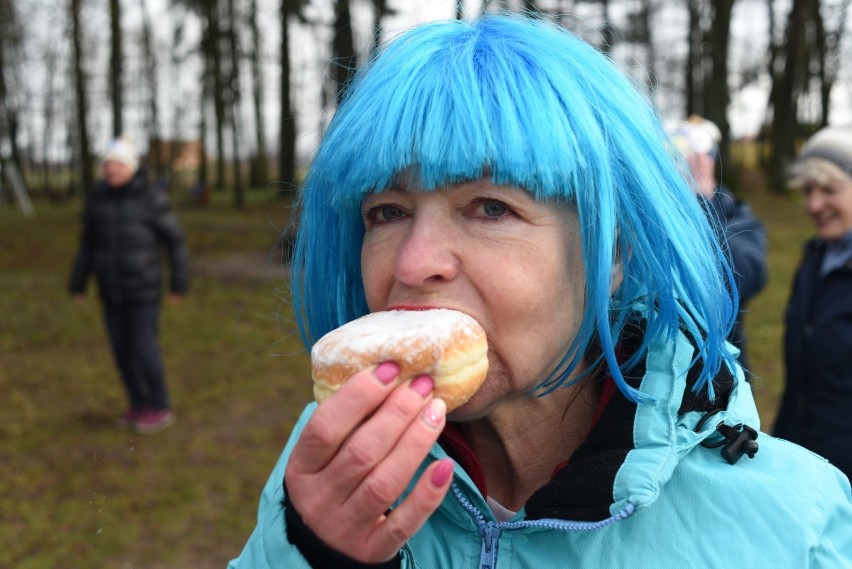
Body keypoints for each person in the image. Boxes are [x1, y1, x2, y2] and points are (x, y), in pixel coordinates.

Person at [230, 14, 852, 568]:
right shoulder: (328, 473)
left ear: (611, 253)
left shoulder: (793, 527)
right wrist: (316, 555)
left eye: (490, 207)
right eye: (387, 212)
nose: (414, 265)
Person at [69, 136, 190, 434]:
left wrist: (178, 282)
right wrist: (78, 282)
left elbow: (175, 242)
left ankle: (160, 407)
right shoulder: (97, 199)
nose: (111, 170)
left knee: (143, 348)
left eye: (118, 165)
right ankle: (138, 403)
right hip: (110, 291)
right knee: (121, 350)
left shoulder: (150, 197)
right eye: (107, 165)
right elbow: (88, 244)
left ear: (131, 168)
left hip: (143, 290)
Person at [774, 125, 852, 481]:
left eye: (829, 191)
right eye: (807, 191)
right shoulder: (814, 259)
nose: (813, 205)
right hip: (803, 460)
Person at [667, 117, 768, 372]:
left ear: (711, 161)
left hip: (721, 371)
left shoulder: (735, 215)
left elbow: (748, 275)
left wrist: (701, 200)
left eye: (695, 158)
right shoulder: (654, 220)